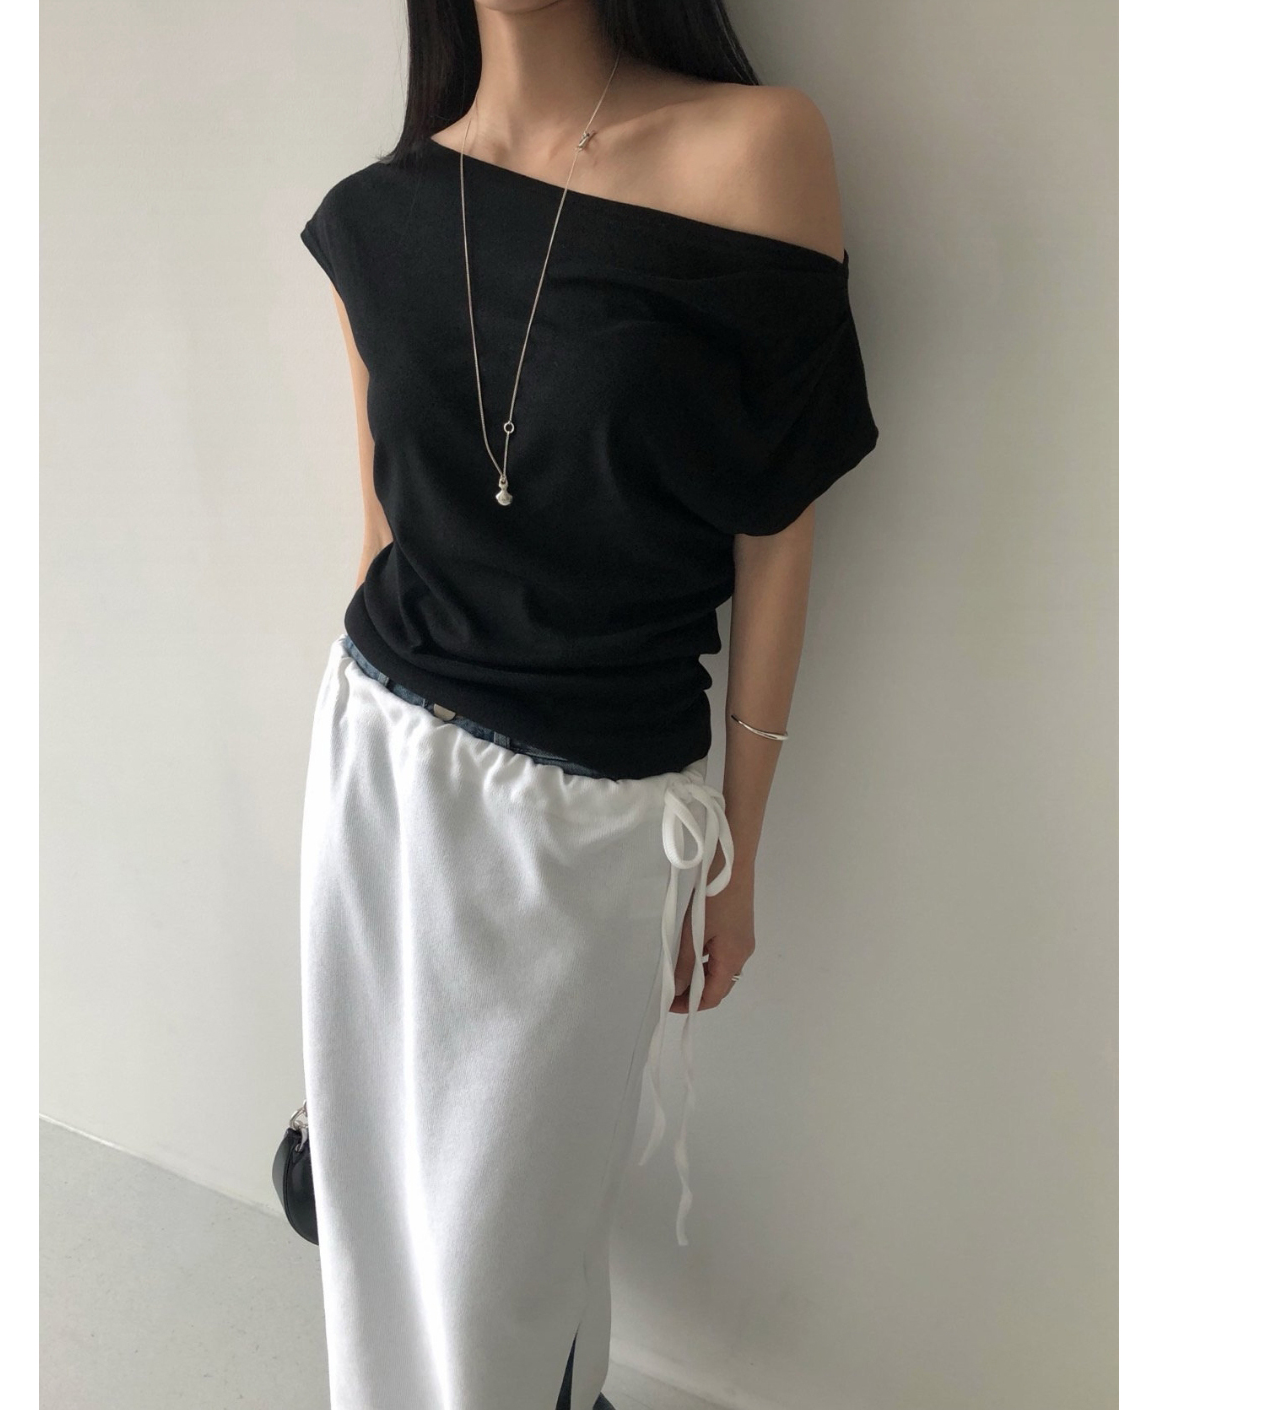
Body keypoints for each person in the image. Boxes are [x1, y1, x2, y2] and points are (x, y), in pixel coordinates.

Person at [296, 2, 878, 1405]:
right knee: (390, 1222)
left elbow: (776, 530)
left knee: (498, 1247)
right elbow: (384, 528)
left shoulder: (756, 151)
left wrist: (737, 847)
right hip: (379, 766)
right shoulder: (378, 215)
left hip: (593, 819)